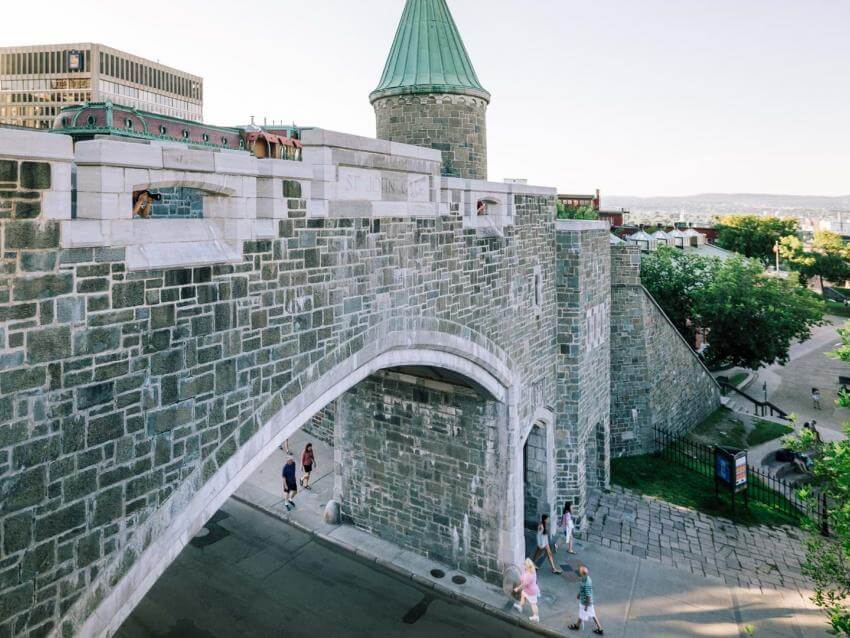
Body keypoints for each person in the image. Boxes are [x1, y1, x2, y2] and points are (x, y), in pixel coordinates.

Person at [569, 565, 604, 635]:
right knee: (589, 614)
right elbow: (582, 589)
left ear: (583, 573)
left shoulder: (587, 583)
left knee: (585, 614)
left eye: (580, 571)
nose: (578, 572)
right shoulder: (585, 578)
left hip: (585, 602)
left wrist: (586, 606)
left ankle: (577, 626)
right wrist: (579, 594)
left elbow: (588, 595)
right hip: (585, 601)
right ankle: (600, 628)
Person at [513, 558, 541, 622]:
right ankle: (520, 606)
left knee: (533, 604)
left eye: (524, 564)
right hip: (527, 590)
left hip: (531, 591)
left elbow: (524, 584)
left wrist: (517, 588)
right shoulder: (528, 570)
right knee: (523, 596)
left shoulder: (530, 575)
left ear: (527, 566)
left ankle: (536, 616)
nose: (524, 565)